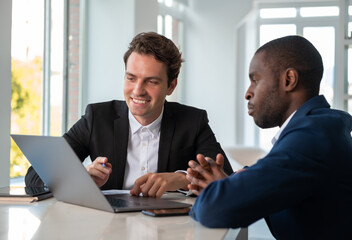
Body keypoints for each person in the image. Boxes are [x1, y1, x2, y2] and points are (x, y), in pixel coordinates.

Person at [186, 35, 352, 239]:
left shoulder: (312, 137)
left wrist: (218, 193)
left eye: (255, 80)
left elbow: (212, 210)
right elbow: (279, 177)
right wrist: (231, 186)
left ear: (289, 80)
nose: (248, 93)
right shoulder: (319, 126)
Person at [25, 32, 233, 198]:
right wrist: (81, 179)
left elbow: (226, 178)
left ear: (171, 86)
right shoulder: (97, 117)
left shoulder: (192, 122)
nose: (137, 91)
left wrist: (180, 179)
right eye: (131, 78)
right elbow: (35, 176)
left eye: (151, 81)